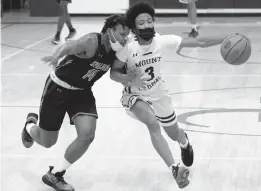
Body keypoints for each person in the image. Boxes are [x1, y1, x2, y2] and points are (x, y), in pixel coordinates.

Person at [110, 2, 233, 189]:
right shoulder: (127, 47)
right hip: (134, 95)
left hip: (159, 93)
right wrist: (129, 80)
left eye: (150, 21)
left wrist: (227, 38)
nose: (147, 25)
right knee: (152, 123)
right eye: (141, 22)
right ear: (134, 27)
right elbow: (114, 73)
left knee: (173, 132)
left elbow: (199, 42)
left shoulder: (161, 41)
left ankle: (184, 142)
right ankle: (174, 168)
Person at [21, 14, 129, 191]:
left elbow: (115, 73)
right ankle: (29, 125)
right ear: (110, 31)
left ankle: (55, 174)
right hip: (58, 88)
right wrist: (56, 57)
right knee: (48, 142)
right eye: (123, 34)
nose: (126, 39)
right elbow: (68, 46)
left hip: (81, 92)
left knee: (87, 134)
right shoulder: (92, 41)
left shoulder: (117, 52)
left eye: (128, 35)